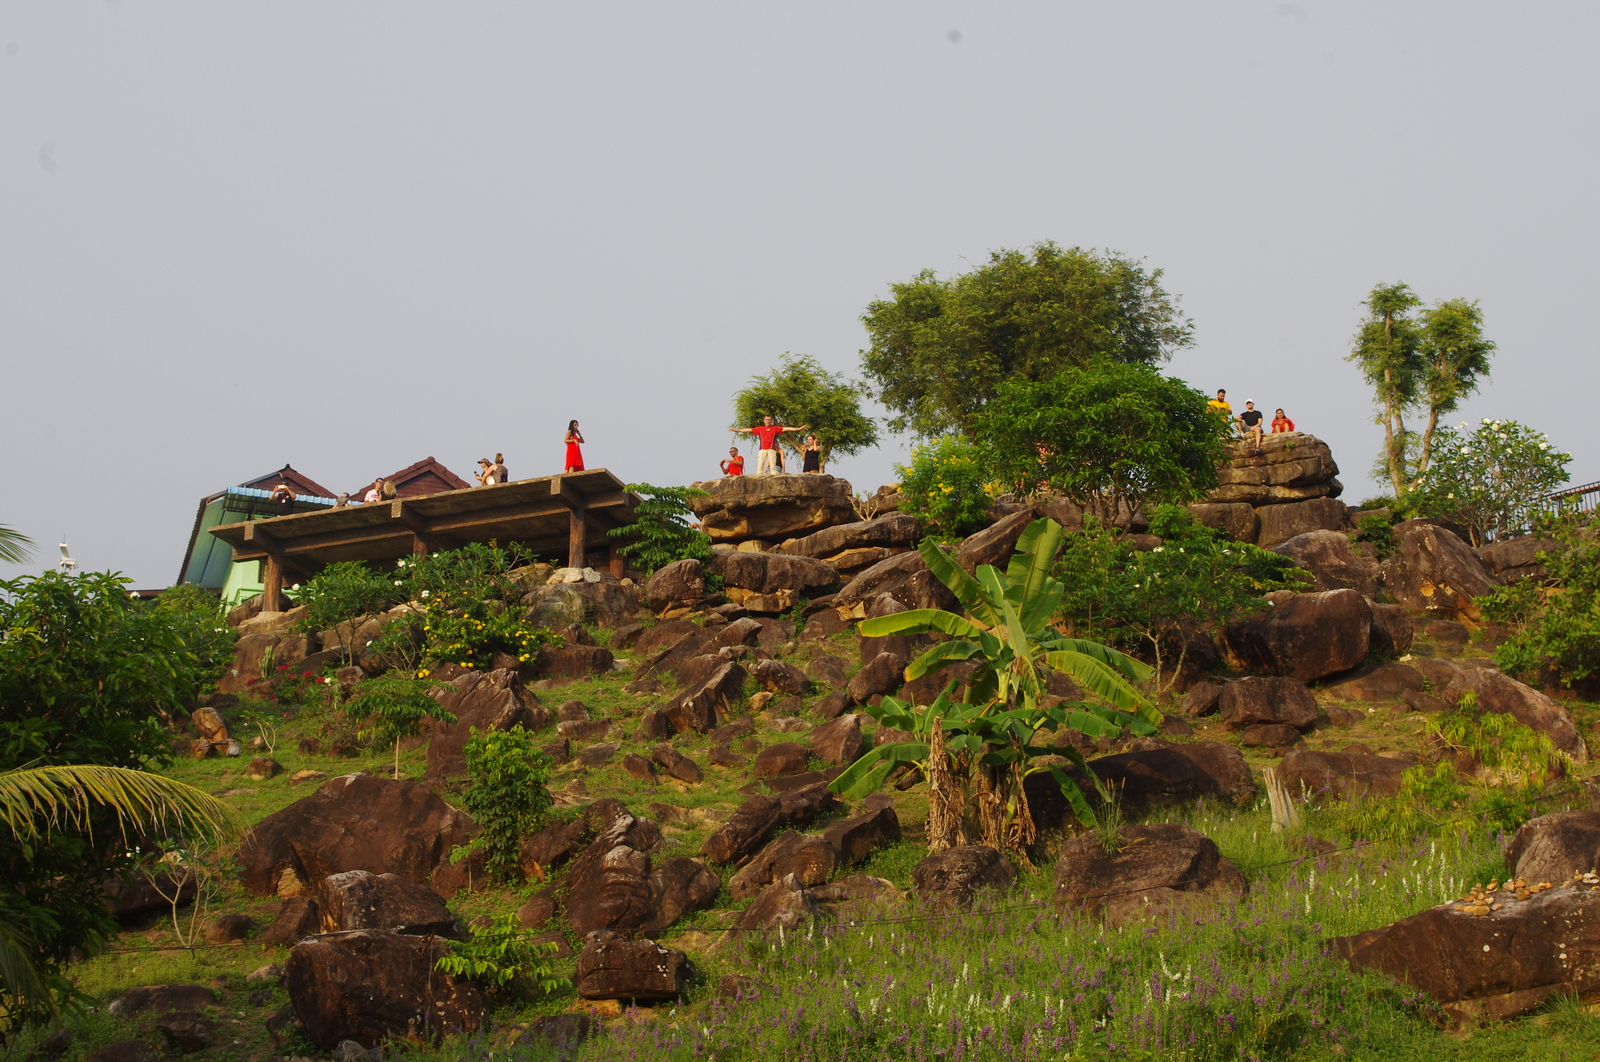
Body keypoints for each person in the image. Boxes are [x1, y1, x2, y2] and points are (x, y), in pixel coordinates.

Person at [728, 414, 808, 475]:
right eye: (766, 420)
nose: (768, 421)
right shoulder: (760, 429)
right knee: (760, 463)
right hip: (762, 448)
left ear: (771, 421)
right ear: (764, 420)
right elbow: (749, 430)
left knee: (773, 463)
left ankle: (773, 474)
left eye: (769, 420)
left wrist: (798, 428)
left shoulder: (775, 428)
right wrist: (737, 430)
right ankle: (759, 475)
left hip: (771, 448)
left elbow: (786, 428)